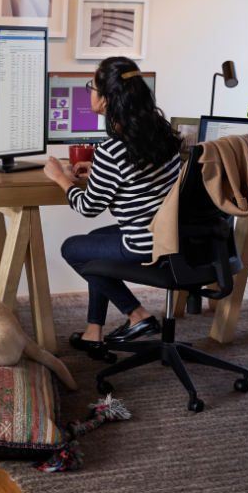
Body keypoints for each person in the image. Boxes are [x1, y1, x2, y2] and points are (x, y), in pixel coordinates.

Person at [43, 56, 182, 360]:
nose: (89, 92)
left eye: (90, 87)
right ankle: (94, 333)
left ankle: (137, 315)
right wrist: (98, 168)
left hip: (144, 243)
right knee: (93, 240)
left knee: (72, 248)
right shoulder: (161, 133)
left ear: (105, 100)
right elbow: (139, 175)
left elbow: (87, 206)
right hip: (171, 235)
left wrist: (61, 178)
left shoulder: (112, 150)